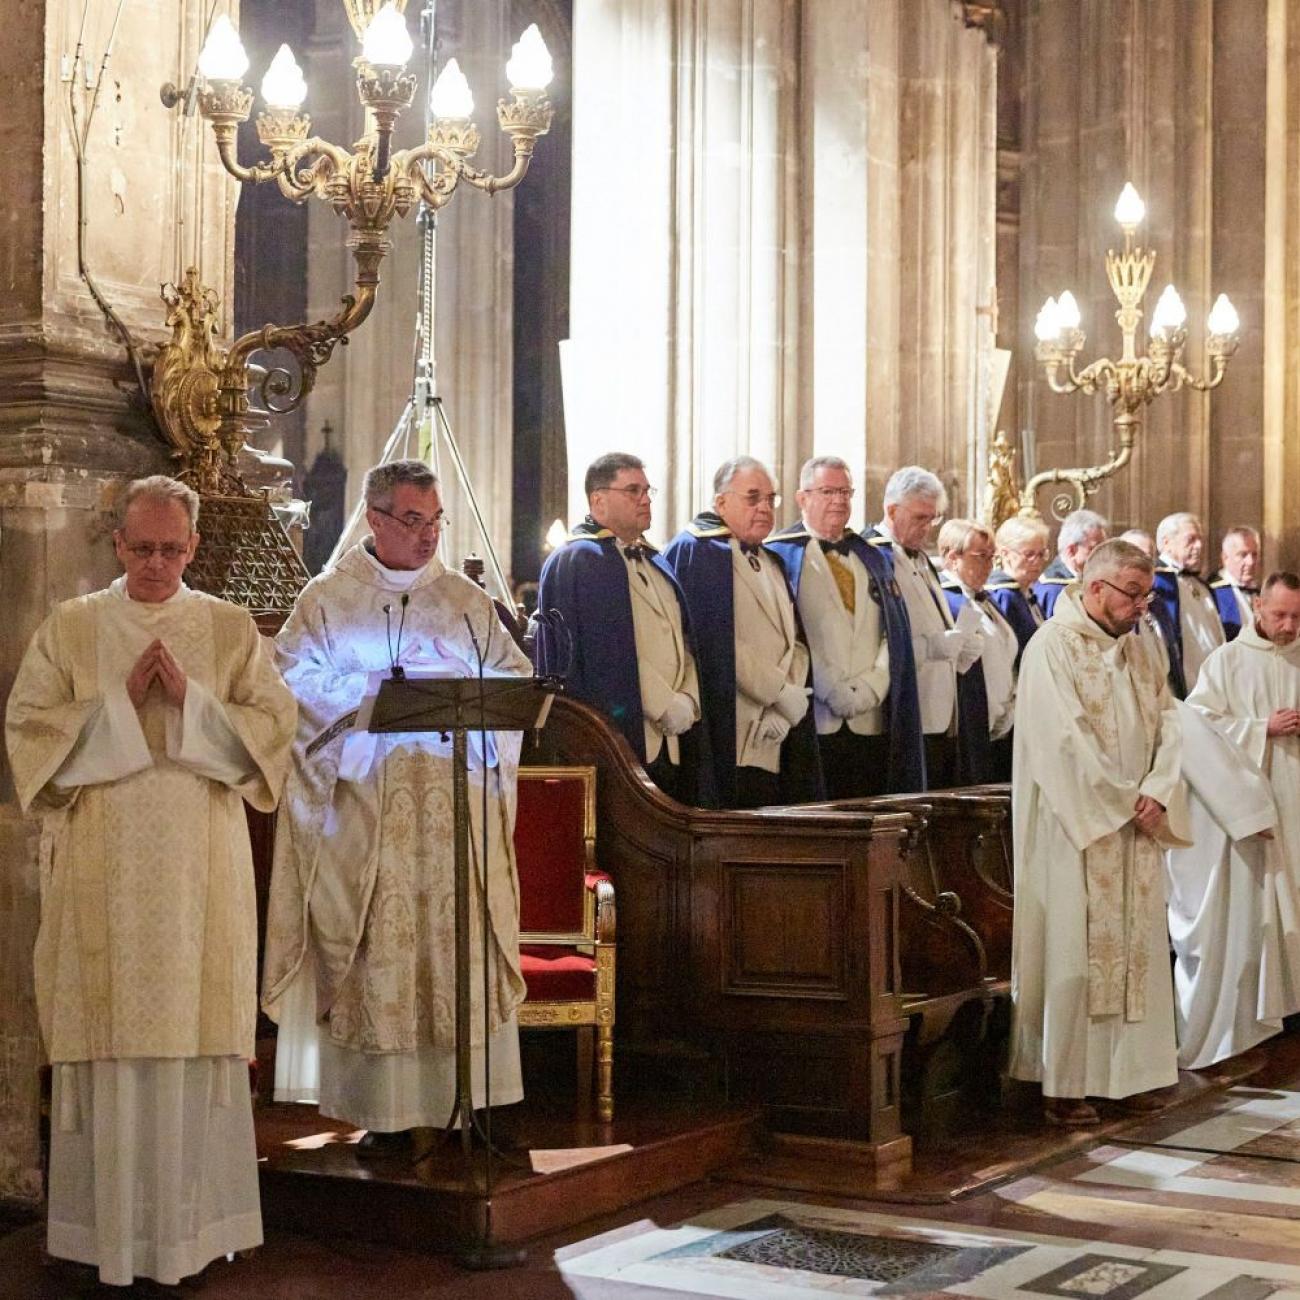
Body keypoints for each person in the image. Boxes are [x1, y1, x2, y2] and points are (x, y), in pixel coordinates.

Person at [4, 475, 297, 1289]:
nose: (158, 563)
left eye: (172, 549)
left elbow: (275, 731)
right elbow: (28, 734)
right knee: (110, 1039)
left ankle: (192, 1234)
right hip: (102, 864)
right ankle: (108, 1239)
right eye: (143, 549)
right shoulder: (73, 627)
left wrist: (194, 704)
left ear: (194, 547)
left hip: (199, 869)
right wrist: (118, 704)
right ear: (117, 543)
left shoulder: (229, 628)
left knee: (190, 1043)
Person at [263, 459, 532, 1150]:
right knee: (379, 954)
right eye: (414, 521)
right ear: (376, 519)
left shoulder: (466, 601)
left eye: (436, 521)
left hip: (449, 820)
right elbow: (290, 685)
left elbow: (514, 682)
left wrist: (460, 693)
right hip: (367, 818)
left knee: (450, 949)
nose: (428, 535)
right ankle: (383, 1114)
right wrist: (368, 695)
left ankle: (460, 1104)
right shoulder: (326, 598)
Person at [1009, 539, 1189, 1128]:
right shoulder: (1050, 649)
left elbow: (1170, 720)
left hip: (1136, 822)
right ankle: (1067, 1083)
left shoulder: (1143, 649)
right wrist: (1120, 801)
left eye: (1147, 595)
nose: (1142, 607)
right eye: (1133, 595)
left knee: (1135, 953)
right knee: (1077, 953)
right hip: (1076, 829)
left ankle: (1133, 1076)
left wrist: (1158, 791)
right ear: (1095, 588)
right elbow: (1062, 741)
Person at [1168, 572, 1300, 1067]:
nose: (1287, 626)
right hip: (1257, 806)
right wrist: (1260, 727)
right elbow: (1200, 730)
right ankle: (1262, 1015)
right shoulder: (1227, 661)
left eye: (1296, 617)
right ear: (1259, 608)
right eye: (1279, 614)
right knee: (1266, 905)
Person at [537, 452, 711, 804]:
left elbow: (684, 640)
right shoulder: (579, 559)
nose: (645, 499)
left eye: (648, 490)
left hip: (673, 738)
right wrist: (664, 705)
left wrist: (689, 700)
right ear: (598, 499)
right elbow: (608, 652)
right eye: (633, 490)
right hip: (622, 742)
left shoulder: (654, 558)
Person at [663, 456, 823, 808]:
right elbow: (713, 641)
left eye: (770, 499)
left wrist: (785, 708)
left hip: (776, 734)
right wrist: (779, 692)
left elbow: (796, 641)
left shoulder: (773, 560)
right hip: (728, 730)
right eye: (753, 498)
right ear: (721, 502)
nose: (765, 507)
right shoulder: (698, 551)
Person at [766, 455, 924, 796]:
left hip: (871, 718)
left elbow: (892, 632)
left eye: (845, 492)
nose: (838, 500)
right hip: (815, 717)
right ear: (802, 498)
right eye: (827, 491)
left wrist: (874, 686)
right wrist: (829, 688)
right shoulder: (780, 555)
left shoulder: (871, 555)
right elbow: (789, 633)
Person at [865, 467, 983, 789]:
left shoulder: (920, 559)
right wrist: (930, 647)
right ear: (891, 510)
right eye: (920, 518)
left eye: (933, 519)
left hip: (942, 712)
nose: (928, 528)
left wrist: (961, 648)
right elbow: (873, 637)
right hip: (905, 709)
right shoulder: (873, 555)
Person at [939, 519, 1019, 783]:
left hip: (1000, 725)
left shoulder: (987, 599)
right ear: (953, 558)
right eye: (980, 556)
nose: (989, 565)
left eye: (991, 557)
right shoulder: (947, 600)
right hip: (969, 725)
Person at [1153, 511, 1225, 694]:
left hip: (1212, 687)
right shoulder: (1157, 583)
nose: (1199, 546)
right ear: (1167, 543)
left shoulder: (1202, 586)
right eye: (1191, 539)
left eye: (1200, 539)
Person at [1119, 527, 1187, 698]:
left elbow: (1172, 655)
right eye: (1138, 558)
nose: (1146, 566)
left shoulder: (1158, 603)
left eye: (1150, 558)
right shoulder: (1117, 606)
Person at [986, 515, 1050, 667]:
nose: (1037, 561)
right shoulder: (1004, 595)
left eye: (1041, 554)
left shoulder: (1027, 591)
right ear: (1005, 554)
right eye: (1029, 554)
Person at [1033, 508, 1107, 618]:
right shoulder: (1053, 589)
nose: (1102, 555)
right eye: (1094, 548)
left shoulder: (1090, 580)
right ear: (1072, 550)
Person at [1212, 525, 1263, 641]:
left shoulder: (1261, 592)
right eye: (1243, 555)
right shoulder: (1212, 593)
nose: (1251, 562)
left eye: (1254, 554)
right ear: (1225, 558)